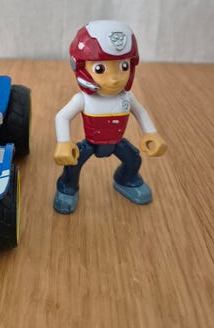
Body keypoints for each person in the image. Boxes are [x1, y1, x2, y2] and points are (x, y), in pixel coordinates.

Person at [54, 20, 167, 214]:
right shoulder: (83, 99)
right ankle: (67, 186)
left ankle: (126, 179)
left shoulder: (127, 97)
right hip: (90, 143)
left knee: (134, 160)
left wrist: (151, 133)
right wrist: (64, 142)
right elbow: (62, 117)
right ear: (81, 67)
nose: (114, 79)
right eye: (100, 69)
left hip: (117, 141)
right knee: (72, 165)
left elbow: (141, 112)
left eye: (123, 66)